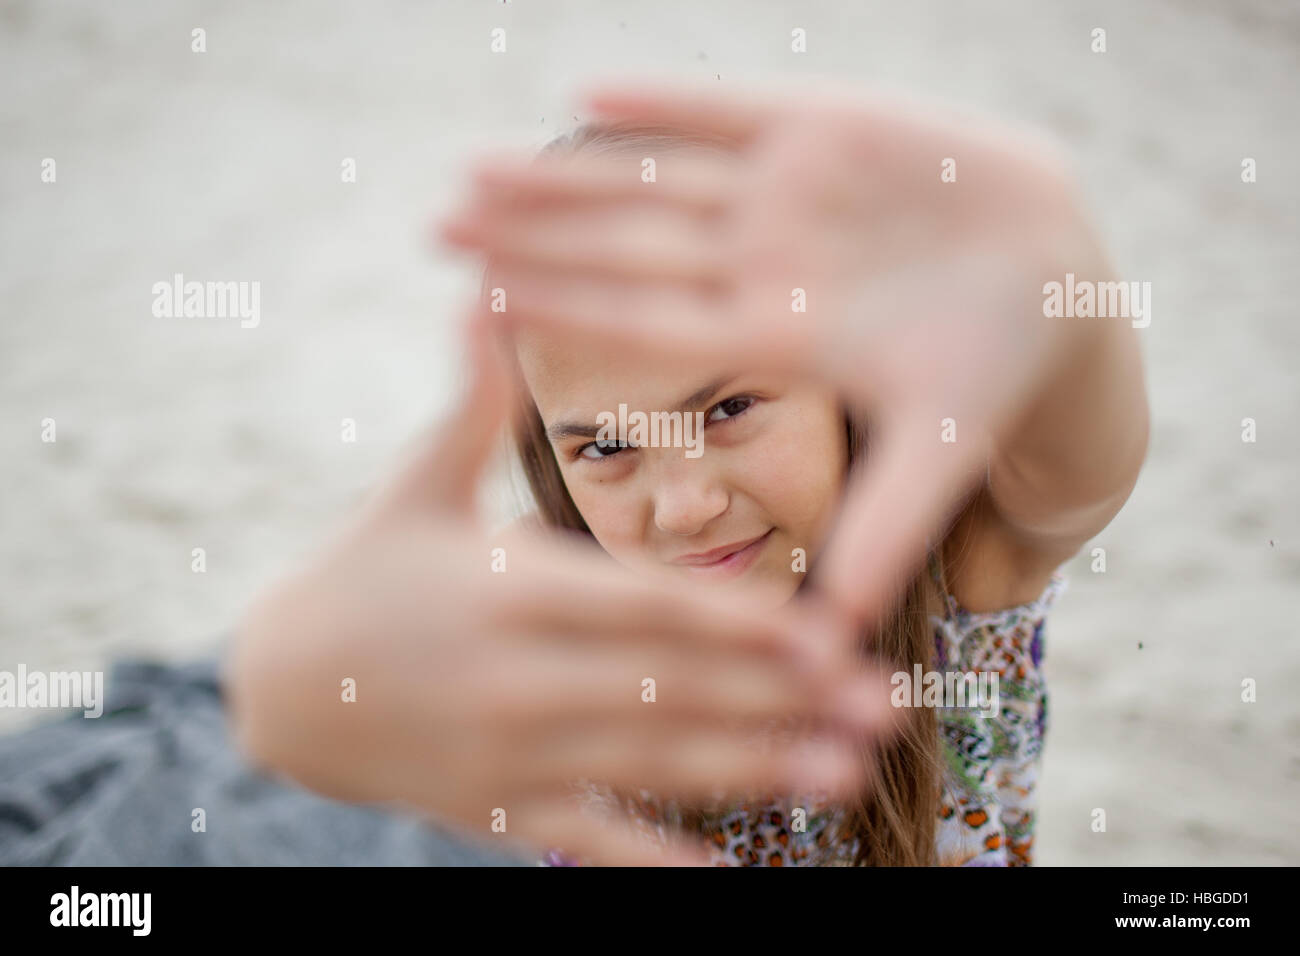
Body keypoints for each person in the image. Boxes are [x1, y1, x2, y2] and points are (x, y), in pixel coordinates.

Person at [229, 80, 1149, 866]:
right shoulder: (538, 607)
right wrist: (290, 694)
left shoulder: (960, 566)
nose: (686, 507)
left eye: (730, 409)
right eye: (605, 448)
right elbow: (336, 710)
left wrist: (1061, 269)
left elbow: (1085, 467)